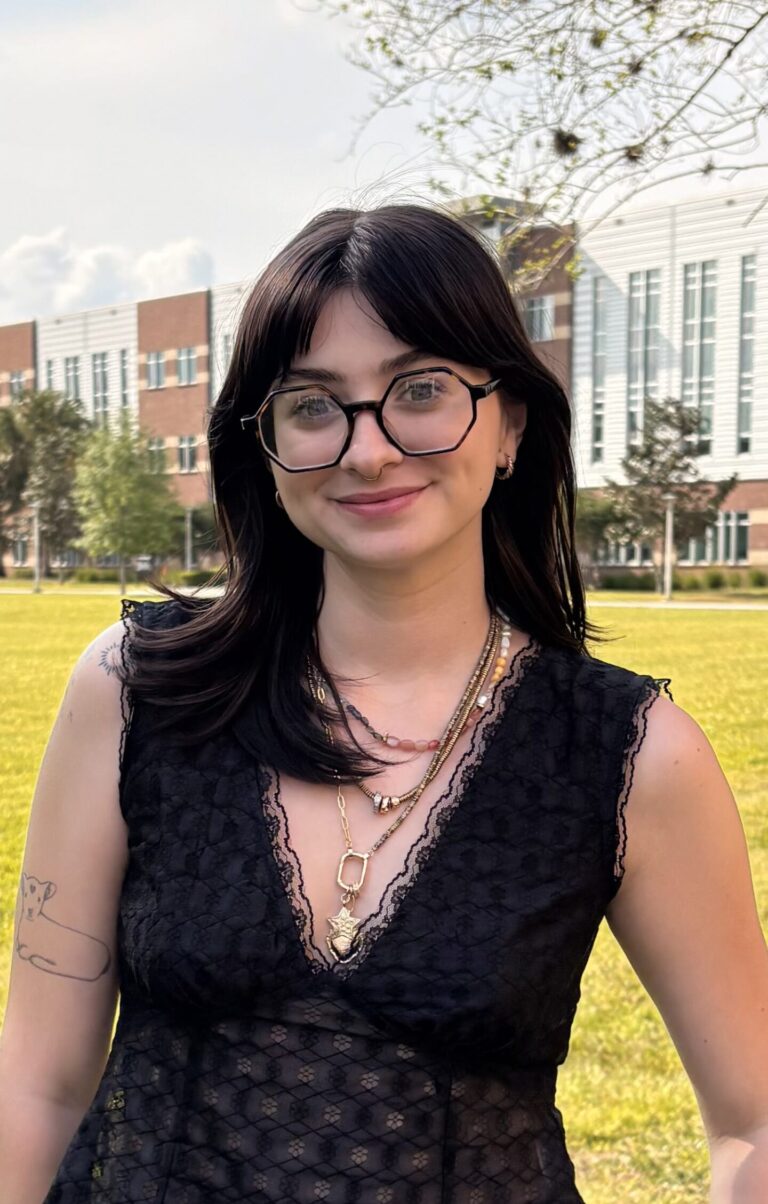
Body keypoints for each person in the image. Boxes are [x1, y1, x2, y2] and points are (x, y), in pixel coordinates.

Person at [1, 204, 767, 1204]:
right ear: (265, 445)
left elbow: (753, 1116)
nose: (367, 450)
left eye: (420, 390)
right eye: (313, 404)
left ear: (511, 424)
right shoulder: (136, 691)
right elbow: (38, 1082)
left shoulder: (627, 756)